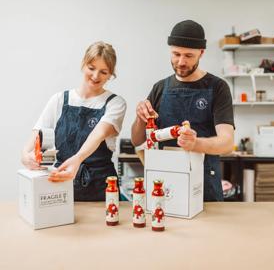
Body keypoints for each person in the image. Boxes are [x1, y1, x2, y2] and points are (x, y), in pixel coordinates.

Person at [131, 20, 234, 201]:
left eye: (189, 55)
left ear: (201, 53)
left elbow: (226, 143)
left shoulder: (218, 87)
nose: (181, 62)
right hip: (164, 182)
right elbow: (137, 139)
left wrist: (195, 144)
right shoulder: (160, 88)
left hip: (204, 184)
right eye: (176, 54)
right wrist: (140, 117)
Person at [21, 41, 126, 201]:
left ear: (110, 75)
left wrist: (78, 159)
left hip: (101, 188)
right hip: (61, 185)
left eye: (103, 72)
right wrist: (25, 156)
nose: (96, 76)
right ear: (83, 64)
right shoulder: (59, 100)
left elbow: (100, 133)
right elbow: (38, 134)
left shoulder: (115, 103)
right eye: (91, 68)